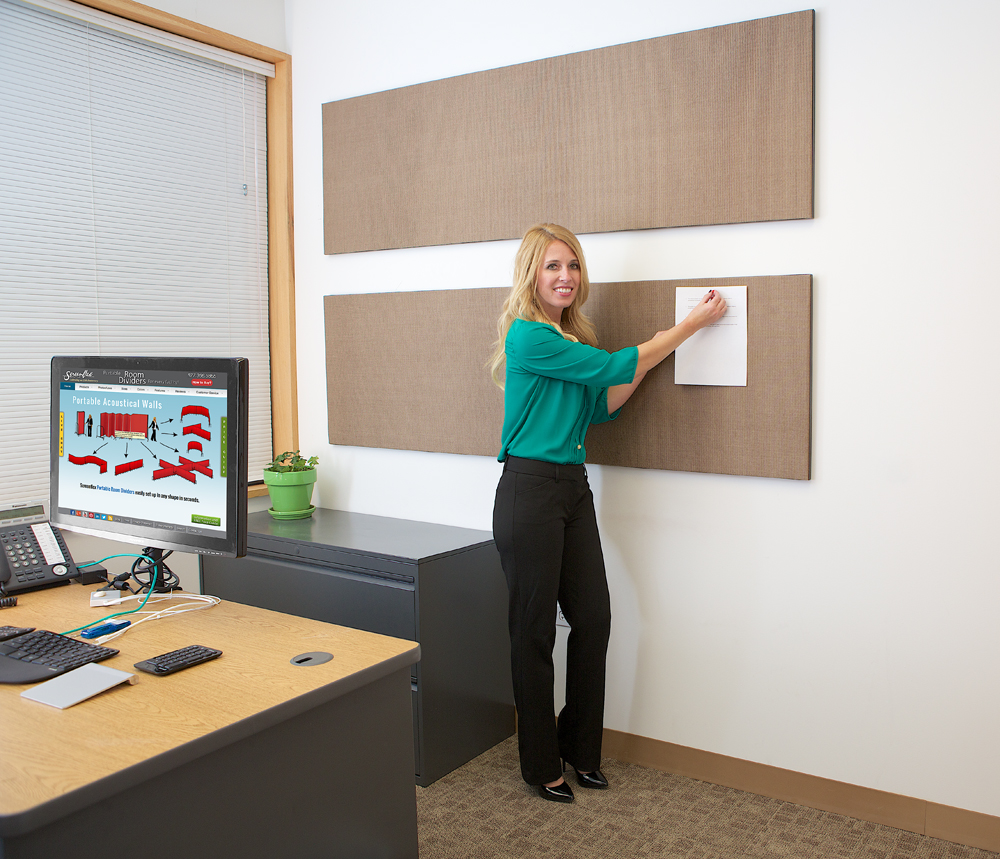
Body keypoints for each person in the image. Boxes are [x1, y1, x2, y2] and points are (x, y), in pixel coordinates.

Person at [489, 224, 726, 803]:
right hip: (528, 491)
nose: (565, 276)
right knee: (534, 632)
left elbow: (603, 402)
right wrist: (686, 328)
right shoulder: (528, 338)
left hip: (572, 488)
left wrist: (644, 358)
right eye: (552, 266)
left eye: (571, 266)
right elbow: (606, 371)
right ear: (531, 276)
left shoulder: (575, 344)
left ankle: (581, 750)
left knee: (593, 619)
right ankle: (540, 763)